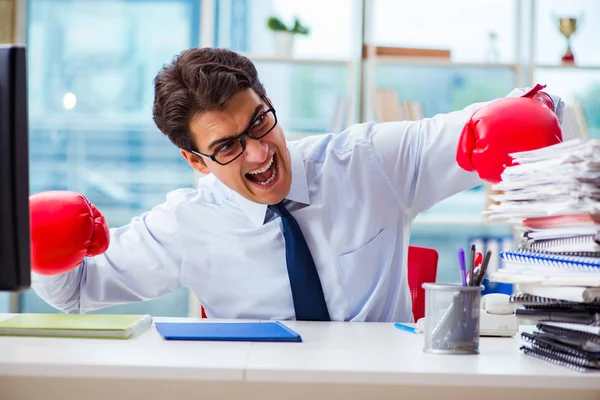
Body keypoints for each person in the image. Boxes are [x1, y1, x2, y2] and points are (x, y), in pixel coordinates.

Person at [30, 47, 564, 322]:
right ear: (196, 162)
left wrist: (531, 111)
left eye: (259, 122)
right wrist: (39, 245)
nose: (260, 153)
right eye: (227, 147)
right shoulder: (183, 225)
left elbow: (519, 108)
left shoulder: (369, 161)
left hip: (388, 389)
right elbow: (74, 292)